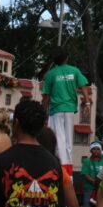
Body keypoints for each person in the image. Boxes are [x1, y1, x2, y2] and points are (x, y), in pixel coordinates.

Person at [41, 46, 91, 175]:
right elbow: (84, 87)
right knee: (68, 140)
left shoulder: (51, 74)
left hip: (56, 110)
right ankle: (68, 170)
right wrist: (87, 103)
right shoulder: (74, 71)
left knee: (57, 140)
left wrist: (42, 112)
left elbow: (46, 96)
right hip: (69, 109)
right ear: (67, 58)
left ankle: (59, 168)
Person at [78, 141, 103, 207]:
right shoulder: (87, 161)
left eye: (98, 149)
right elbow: (85, 174)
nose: (96, 151)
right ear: (91, 150)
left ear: (100, 150)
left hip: (100, 189)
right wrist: (94, 181)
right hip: (89, 188)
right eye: (94, 149)